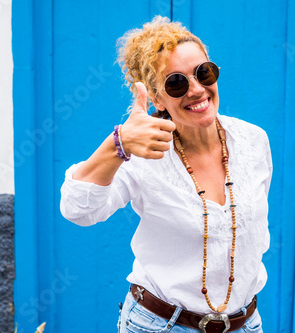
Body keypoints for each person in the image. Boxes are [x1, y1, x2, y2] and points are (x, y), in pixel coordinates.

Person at [60, 16, 272, 333]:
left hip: (244, 324)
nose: (197, 89)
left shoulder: (253, 141)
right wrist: (117, 144)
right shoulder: (140, 152)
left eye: (204, 73)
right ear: (157, 98)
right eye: (176, 83)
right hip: (159, 325)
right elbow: (78, 209)